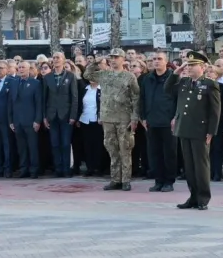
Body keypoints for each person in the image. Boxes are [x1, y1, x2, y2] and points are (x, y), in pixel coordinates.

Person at [167, 51, 221, 210]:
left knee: (201, 166)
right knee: (189, 166)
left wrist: (211, 131)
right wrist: (175, 73)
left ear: (202, 67)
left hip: (200, 130)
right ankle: (193, 196)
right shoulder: (184, 82)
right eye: (188, 65)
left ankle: (203, 197)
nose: (189, 68)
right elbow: (168, 89)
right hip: (184, 129)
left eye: (192, 65)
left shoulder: (210, 84)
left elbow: (215, 111)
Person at [84, 49, 140, 191]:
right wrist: (96, 62)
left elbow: (136, 97)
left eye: (116, 57)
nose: (113, 60)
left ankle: (126, 179)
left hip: (123, 118)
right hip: (108, 118)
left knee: (125, 149)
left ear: (123, 59)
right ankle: (115, 179)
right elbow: (87, 74)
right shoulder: (105, 74)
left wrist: (134, 118)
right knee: (112, 149)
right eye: (111, 57)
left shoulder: (129, 76)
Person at [139, 51, 178, 192]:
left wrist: (175, 117)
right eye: (154, 59)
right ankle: (158, 180)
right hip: (151, 121)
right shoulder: (147, 78)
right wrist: (143, 117)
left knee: (169, 153)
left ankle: (169, 181)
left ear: (166, 61)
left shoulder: (173, 78)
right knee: (154, 153)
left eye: (159, 59)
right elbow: (142, 99)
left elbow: (178, 99)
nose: (156, 61)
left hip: (168, 122)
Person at [43, 52, 79, 177]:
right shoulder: (47, 77)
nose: (56, 59)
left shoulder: (70, 76)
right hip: (52, 115)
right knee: (55, 143)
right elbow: (44, 98)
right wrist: (44, 117)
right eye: (54, 58)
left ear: (64, 60)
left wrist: (73, 116)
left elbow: (74, 97)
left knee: (65, 143)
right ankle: (58, 169)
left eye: (58, 58)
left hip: (66, 115)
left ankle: (66, 169)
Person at [8, 61, 42, 179]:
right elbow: (10, 103)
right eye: (19, 67)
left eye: (23, 67)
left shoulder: (35, 83)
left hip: (31, 120)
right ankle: (23, 169)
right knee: (21, 148)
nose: (21, 69)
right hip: (17, 121)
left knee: (32, 147)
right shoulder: (13, 83)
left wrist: (37, 120)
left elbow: (39, 103)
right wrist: (11, 121)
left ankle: (34, 170)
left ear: (29, 69)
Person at [0, 61, 14, 178]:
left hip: (6, 118)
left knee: (7, 144)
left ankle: (8, 168)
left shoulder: (12, 82)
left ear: (7, 70)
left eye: (1, 68)